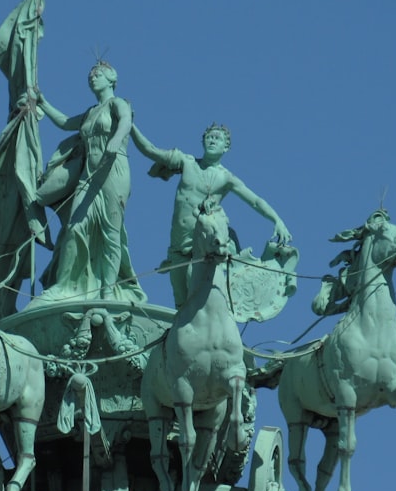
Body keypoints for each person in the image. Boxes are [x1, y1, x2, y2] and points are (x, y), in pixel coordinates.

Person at [130, 123, 292, 307]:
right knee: (180, 299)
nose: (212, 140)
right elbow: (151, 150)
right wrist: (130, 126)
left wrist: (277, 220)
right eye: (210, 137)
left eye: (218, 138)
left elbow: (255, 201)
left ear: (226, 147)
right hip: (177, 245)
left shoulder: (226, 178)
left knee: (194, 286)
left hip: (200, 245)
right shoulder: (187, 162)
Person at [27, 61, 146, 304]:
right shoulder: (90, 112)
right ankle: (62, 285)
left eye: (98, 74)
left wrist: (117, 139)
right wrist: (42, 102)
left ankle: (108, 290)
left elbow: (125, 121)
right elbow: (63, 122)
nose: (93, 78)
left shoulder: (117, 103)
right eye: (90, 75)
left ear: (112, 77)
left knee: (111, 232)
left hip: (114, 171)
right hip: (89, 174)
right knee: (75, 226)